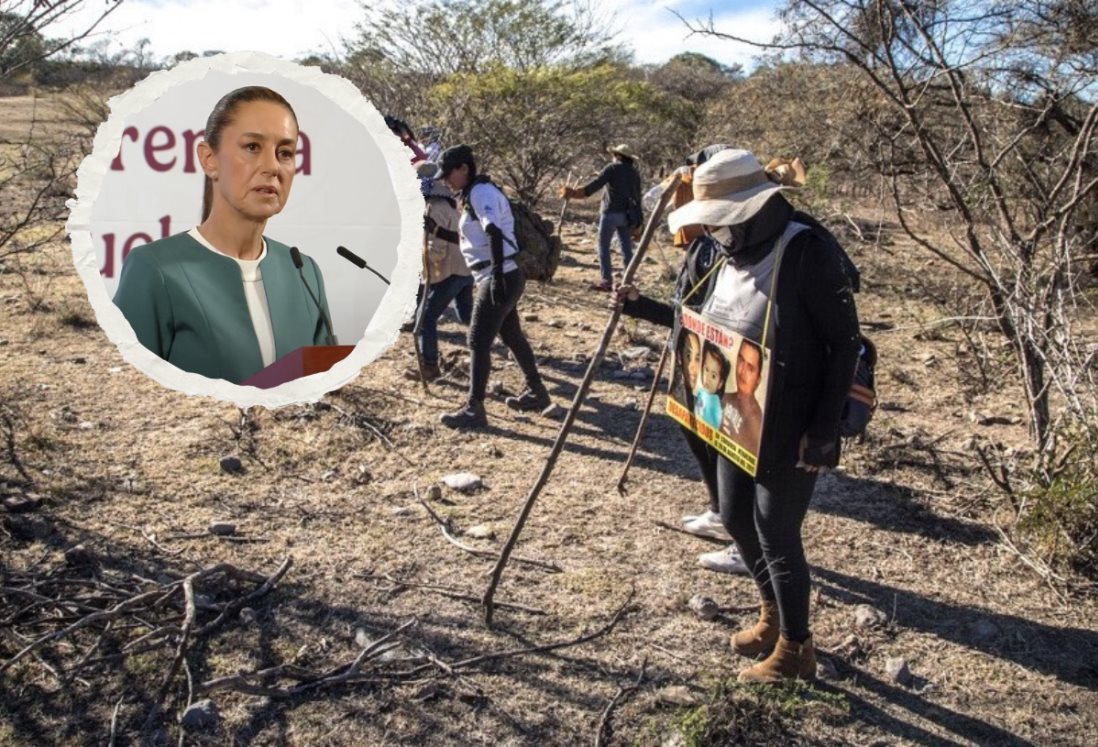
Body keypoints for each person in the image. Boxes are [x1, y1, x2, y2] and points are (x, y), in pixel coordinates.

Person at [616, 148, 860, 682]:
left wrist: (822, 432)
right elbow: (700, 323)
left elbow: (845, 346)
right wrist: (642, 308)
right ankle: (772, 615)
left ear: (755, 205)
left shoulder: (808, 252)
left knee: (776, 532)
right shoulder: (727, 250)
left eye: (725, 218)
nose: (717, 230)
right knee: (733, 516)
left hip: (791, 421)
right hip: (737, 415)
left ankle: (797, 650)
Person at [113, 86, 333, 386]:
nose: (272, 167)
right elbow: (132, 396)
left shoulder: (304, 272)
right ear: (209, 159)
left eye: (285, 153)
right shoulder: (154, 270)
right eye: (252, 147)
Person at [435, 144, 550, 429]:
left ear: (464, 168)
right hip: (501, 274)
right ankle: (537, 392)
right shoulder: (475, 192)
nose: (447, 180)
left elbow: (493, 231)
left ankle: (474, 409)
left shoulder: (481, 192)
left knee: (477, 340)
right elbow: (476, 238)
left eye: (450, 173)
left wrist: (497, 275)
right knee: (511, 334)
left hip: (499, 275)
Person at [405, 175, 474, 382]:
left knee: (426, 317)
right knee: (467, 316)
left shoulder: (431, 211)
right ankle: (493, 344)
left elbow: (437, 251)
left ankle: (430, 366)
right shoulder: (448, 206)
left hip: (450, 271)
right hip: (465, 270)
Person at [559, 144, 643, 291]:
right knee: (626, 248)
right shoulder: (634, 173)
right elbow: (638, 196)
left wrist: (575, 193)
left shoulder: (612, 168)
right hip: (627, 216)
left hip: (610, 213)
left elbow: (596, 185)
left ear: (617, 155)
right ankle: (628, 281)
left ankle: (607, 281)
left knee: (603, 247)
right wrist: (639, 221)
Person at [721, 338, 764, 453]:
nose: (742, 371)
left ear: (758, 380)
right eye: (741, 360)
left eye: (750, 368)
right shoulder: (725, 398)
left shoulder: (757, 423)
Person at [695, 343, 729, 430]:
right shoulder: (701, 391)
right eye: (706, 369)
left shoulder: (715, 404)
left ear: (720, 384)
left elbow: (715, 425)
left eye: (713, 376)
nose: (707, 378)